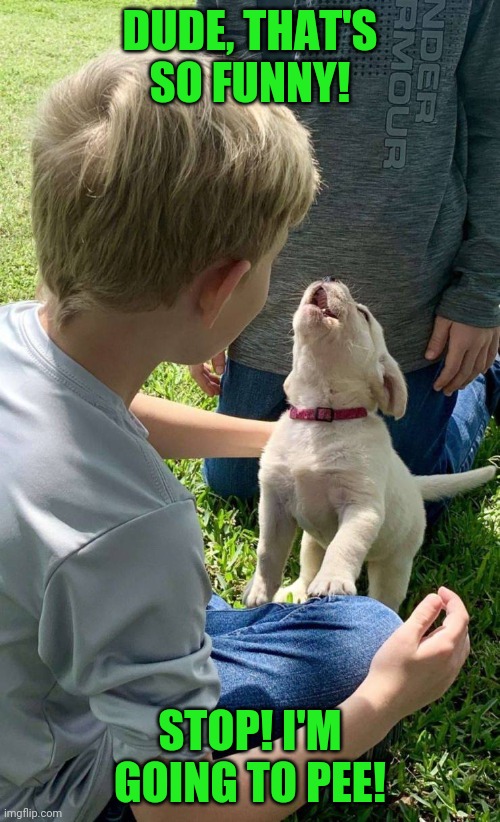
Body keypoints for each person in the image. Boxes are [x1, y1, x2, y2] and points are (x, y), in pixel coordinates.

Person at [0, 51, 470, 822]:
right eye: (273, 261)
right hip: (65, 793)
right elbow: (177, 807)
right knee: (361, 637)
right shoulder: (137, 531)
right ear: (221, 288)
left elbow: (122, 416)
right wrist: (382, 703)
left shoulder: (18, 331)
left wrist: (284, 440)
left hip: (39, 668)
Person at [192, 0, 500, 505]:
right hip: (266, 303)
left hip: (408, 309)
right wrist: (206, 280)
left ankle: (484, 380)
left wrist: (481, 291)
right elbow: (210, 120)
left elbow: (492, 120)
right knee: (235, 481)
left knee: (408, 493)